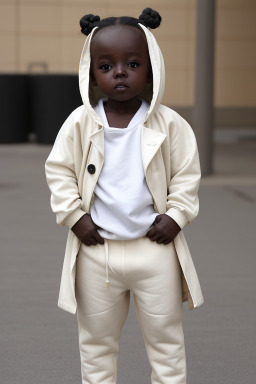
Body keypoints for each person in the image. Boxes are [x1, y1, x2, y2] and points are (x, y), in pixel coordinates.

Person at [45, 8, 204, 384]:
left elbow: (187, 175)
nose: (119, 72)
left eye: (133, 63)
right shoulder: (79, 123)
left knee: (166, 343)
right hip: (96, 250)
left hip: (155, 249)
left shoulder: (170, 124)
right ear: (91, 73)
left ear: (152, 69)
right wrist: (75, 217)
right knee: (96, 345)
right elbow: (59, 171)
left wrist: (176, 216)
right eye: (106, 65)